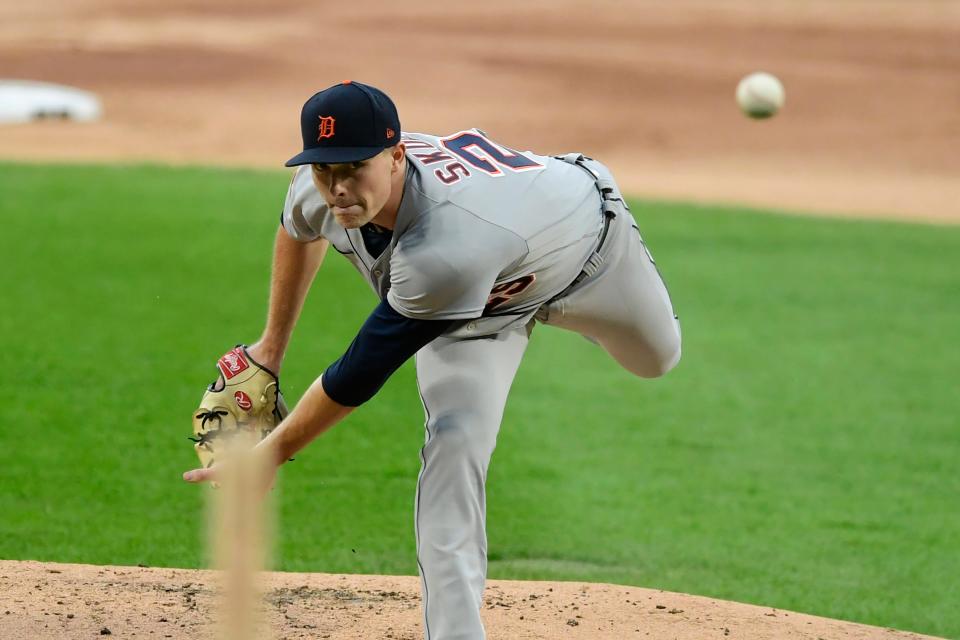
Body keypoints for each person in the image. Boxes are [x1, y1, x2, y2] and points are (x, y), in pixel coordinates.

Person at [184, 80, 681, 640]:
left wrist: (268, 455)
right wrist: (269, 348)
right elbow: (298, 229)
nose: (338, 188)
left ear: (397, 156)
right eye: (325, 170)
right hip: (473, 321)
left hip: (590, 259)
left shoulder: (445, 250)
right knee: (452, 448)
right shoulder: (316, 186)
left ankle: (581, 312)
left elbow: (357, 375)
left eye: (354, 168)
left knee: (657, 358)